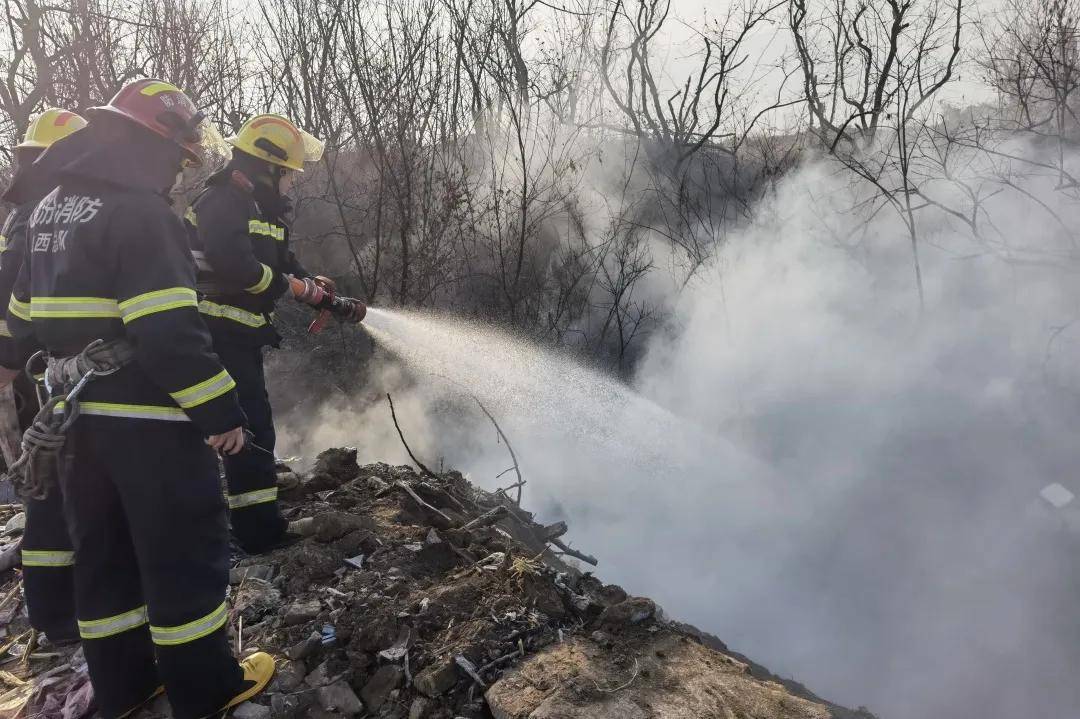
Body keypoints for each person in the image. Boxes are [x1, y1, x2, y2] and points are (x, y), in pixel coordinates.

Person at [6, 79, 273, 719]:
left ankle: (125, 686)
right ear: (148, 145)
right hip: (146, 418)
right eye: (177, 157)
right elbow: (168, 333)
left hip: (71, 417)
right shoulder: (141, 213)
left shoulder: (47, 210)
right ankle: (206, 688)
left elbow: (19, 321)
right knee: (181, 549)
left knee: (105, 555)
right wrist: (219, 413)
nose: (179, 172)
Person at [185, 113, 363, 554]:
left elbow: (281, 261)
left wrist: (314, 286)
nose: (291, 184)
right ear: (268, 167)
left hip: (238, 336)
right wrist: (295, 289)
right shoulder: (222, 201)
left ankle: (250, 523)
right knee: (249, 429)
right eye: (288, 175)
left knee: (253, 429)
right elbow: (234, 265)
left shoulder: (259, 209)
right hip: (213, 335)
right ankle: (257, 534)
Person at [0, 108, 87, 645]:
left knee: (44, 484)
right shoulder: (45, 215)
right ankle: (58, 613)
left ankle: (52, 609)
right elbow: (22, 303)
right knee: (52, 485)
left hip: (28, 366)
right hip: (38, 369)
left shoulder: (27, 213)